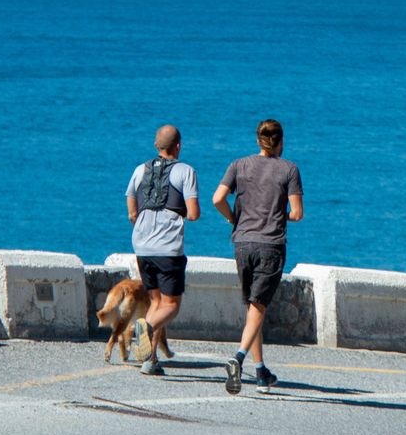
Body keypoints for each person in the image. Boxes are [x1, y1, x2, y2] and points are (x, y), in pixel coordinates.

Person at [212, 118, 303, 394]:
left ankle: (261, 372)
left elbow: (217, 199)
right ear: (281, 141)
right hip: (270, 245)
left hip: (242, 243)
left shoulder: (238, 165)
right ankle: (238, 359)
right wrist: (279, 215)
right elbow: (297, 214)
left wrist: (233, 219)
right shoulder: (289, 169)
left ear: (258, 140)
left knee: (253, 307)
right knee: (259, 306)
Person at [125, 124, 200, 376]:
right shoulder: (185, 171)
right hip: (167, 248)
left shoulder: (140, 169)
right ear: (178, 146)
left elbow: (130, 197)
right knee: (171, 306)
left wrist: (134, 214)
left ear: (157, 145)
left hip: (141, 245)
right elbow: (194, 213)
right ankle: (144, 327)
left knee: (156, 301)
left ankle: (151, 360)